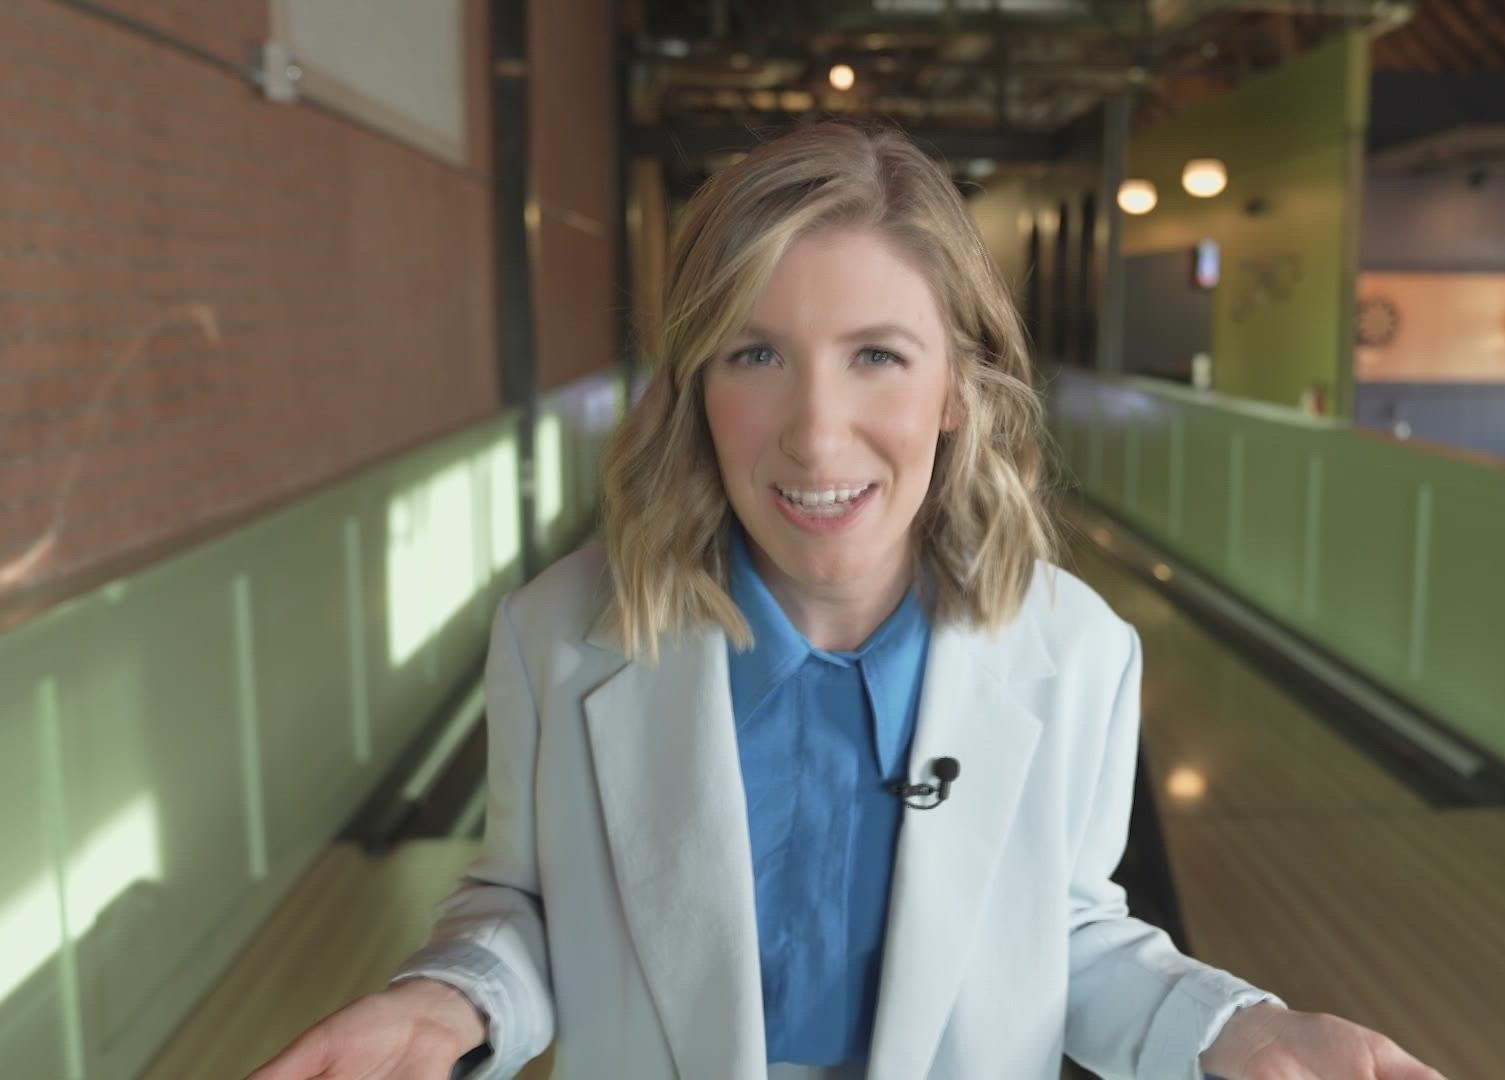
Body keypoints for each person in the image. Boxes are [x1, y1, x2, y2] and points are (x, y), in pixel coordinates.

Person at [247, 120, 1443, 1080]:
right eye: (754, 354)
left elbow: (1067, 934)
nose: (819, 438)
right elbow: (524, 906)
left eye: (878, 354)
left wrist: (1234, 1031)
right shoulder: (559, 639)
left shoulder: (1076, 651)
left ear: (961, 389)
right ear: (693, 386)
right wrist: (451, 996)